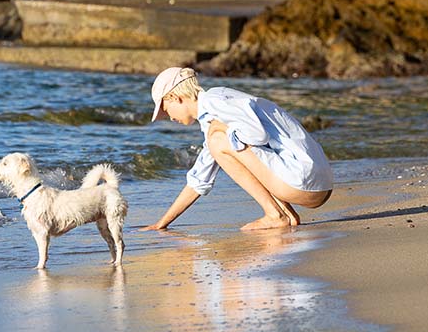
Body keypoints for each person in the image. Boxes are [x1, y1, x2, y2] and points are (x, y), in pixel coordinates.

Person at [141, 67, 333, 231]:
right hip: (315, 182)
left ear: (175, 97)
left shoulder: (216, 101)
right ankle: (284, 214)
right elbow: (199, 179)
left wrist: (221, 128)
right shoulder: (213, 116)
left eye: (165, 110)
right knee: (218, 140)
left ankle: (275, 215)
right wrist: (161, 223)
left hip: (303, 179)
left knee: (218, 139)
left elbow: (258, 135)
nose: (168, 117)